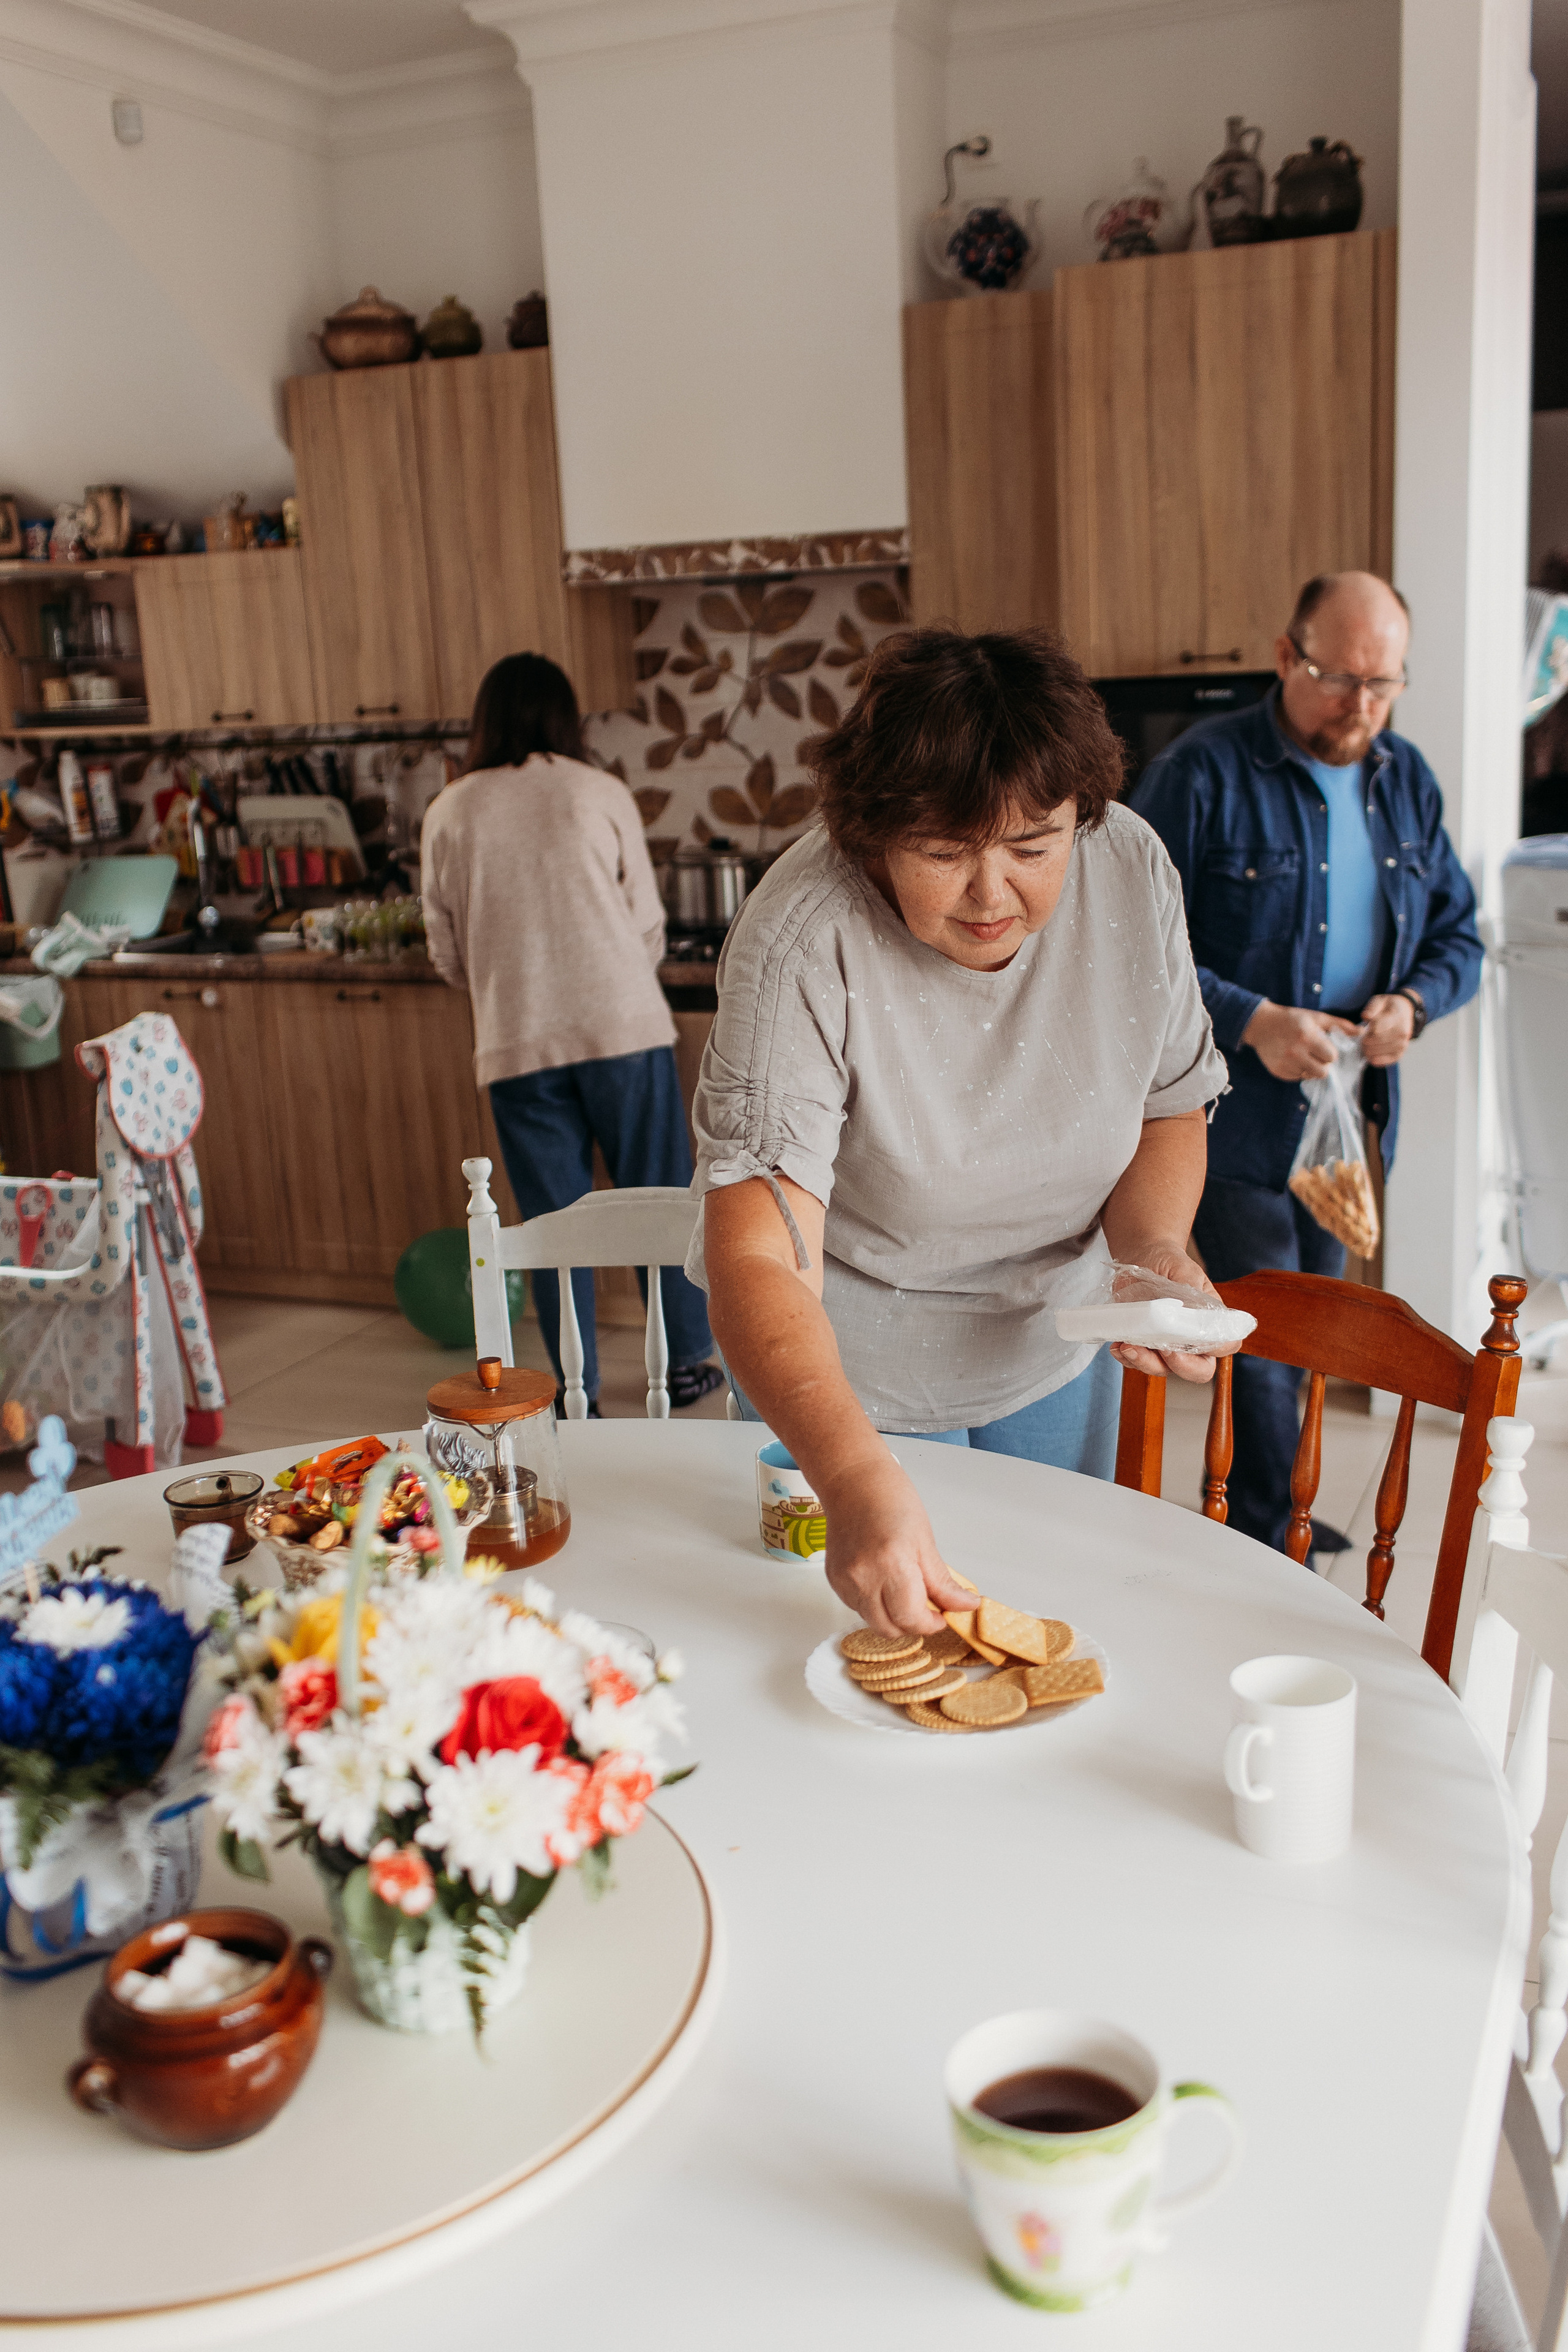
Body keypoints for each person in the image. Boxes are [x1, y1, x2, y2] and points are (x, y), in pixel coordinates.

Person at [692, 627, 1229, 1636]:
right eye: (944, 853)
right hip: (849, 1378)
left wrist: (1152, 1253)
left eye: (1033, 847)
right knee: (864, 1658)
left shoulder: (1130, 866)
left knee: (1057, 1622)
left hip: (1053, 1341)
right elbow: (759, 1255)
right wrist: (852, 1476)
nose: (992, 894)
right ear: (871, 837)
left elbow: (1168, 1101)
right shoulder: (803, 938)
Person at [1131, 571, 1483, 1554]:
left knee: (1317, 1325)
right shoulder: (1200, 772)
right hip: (1228, 1109)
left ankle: (1277, 1506)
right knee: (1264, 1335)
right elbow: (1130, 945)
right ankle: (1262, 1528)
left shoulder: (1407, 780)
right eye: (1338, 679)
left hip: (1349, 1114)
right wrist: (1252, 1022)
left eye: (1383, 684)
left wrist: (1413, 1004)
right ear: (1287, 656)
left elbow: (1459, 937)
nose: (1360, 705)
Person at [421, 652, 723, 1414]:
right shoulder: (599, 790)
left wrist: (514, 985)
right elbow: (647, 925)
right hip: (624, 1029)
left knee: (552, 1222)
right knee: (658, 1198)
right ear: (567, 718)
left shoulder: (449, 810)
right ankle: (687, 1360)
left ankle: (570, 1387)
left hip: (516, 1040)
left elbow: (445, 952)